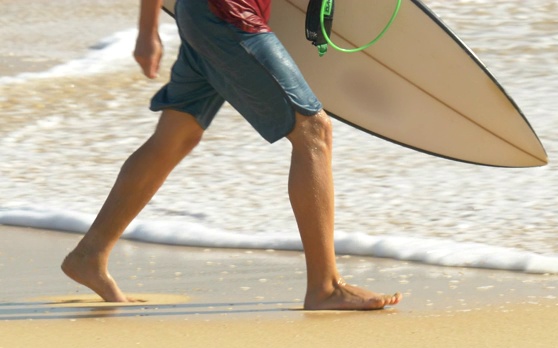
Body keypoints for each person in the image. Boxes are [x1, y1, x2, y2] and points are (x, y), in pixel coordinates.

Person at [61, 0, 401, 310]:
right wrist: (147, 32)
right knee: (314, 131)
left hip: (204, 16)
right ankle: (325, 287)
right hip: (228, 17)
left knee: (176, 136)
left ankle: (89, 255)